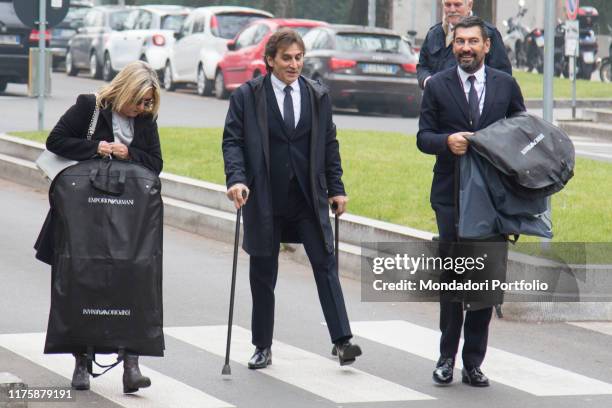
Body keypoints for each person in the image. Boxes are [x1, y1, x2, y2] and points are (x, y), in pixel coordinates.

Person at [222, 28, 362, 369]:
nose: (294, 64)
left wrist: (337, 187)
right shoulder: (248, 96)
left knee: (325, 264)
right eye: (287, 58)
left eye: (299, 58)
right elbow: (233, 141)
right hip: (265, 196)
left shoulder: (316, 95)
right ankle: (262, 346)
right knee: (263, 272)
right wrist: (237, 179)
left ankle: (342, 341)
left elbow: (329, 143)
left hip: (307, 197)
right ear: (270, 60)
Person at [35, 61, 163, 393]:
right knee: (82, 283)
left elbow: (156, 164)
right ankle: (82, 362)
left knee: (131, 283)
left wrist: (129, 153)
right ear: (125, 91)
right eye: (139, 101)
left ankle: (131, 365)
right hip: (83, 217)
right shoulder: (89, 106)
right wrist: (99, 148)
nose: (142, 108)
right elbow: (56, 141)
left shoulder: (146, 119)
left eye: (148, 102)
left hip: (127, 219)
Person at [416, 16, 525, 387]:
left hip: (494, 200)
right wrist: (446, 142)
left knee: (484, 281)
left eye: (472, 42)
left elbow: (522, 131)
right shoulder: (438, 85)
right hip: (449, 195)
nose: (465, 48)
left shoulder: (505, 85)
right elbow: (423, 136)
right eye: (460, 42)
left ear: (486, 46)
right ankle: (446, 357)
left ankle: (473, 362)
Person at [417, 0, 511, 89]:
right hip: (437, 102)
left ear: (469, 5)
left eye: (457, 5)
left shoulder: (488, 33)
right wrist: (427, 81)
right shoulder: (434, 33)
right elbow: (422, 66)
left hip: (473, 102)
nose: (452, 10)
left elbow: (503, 75)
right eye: (448, 5)